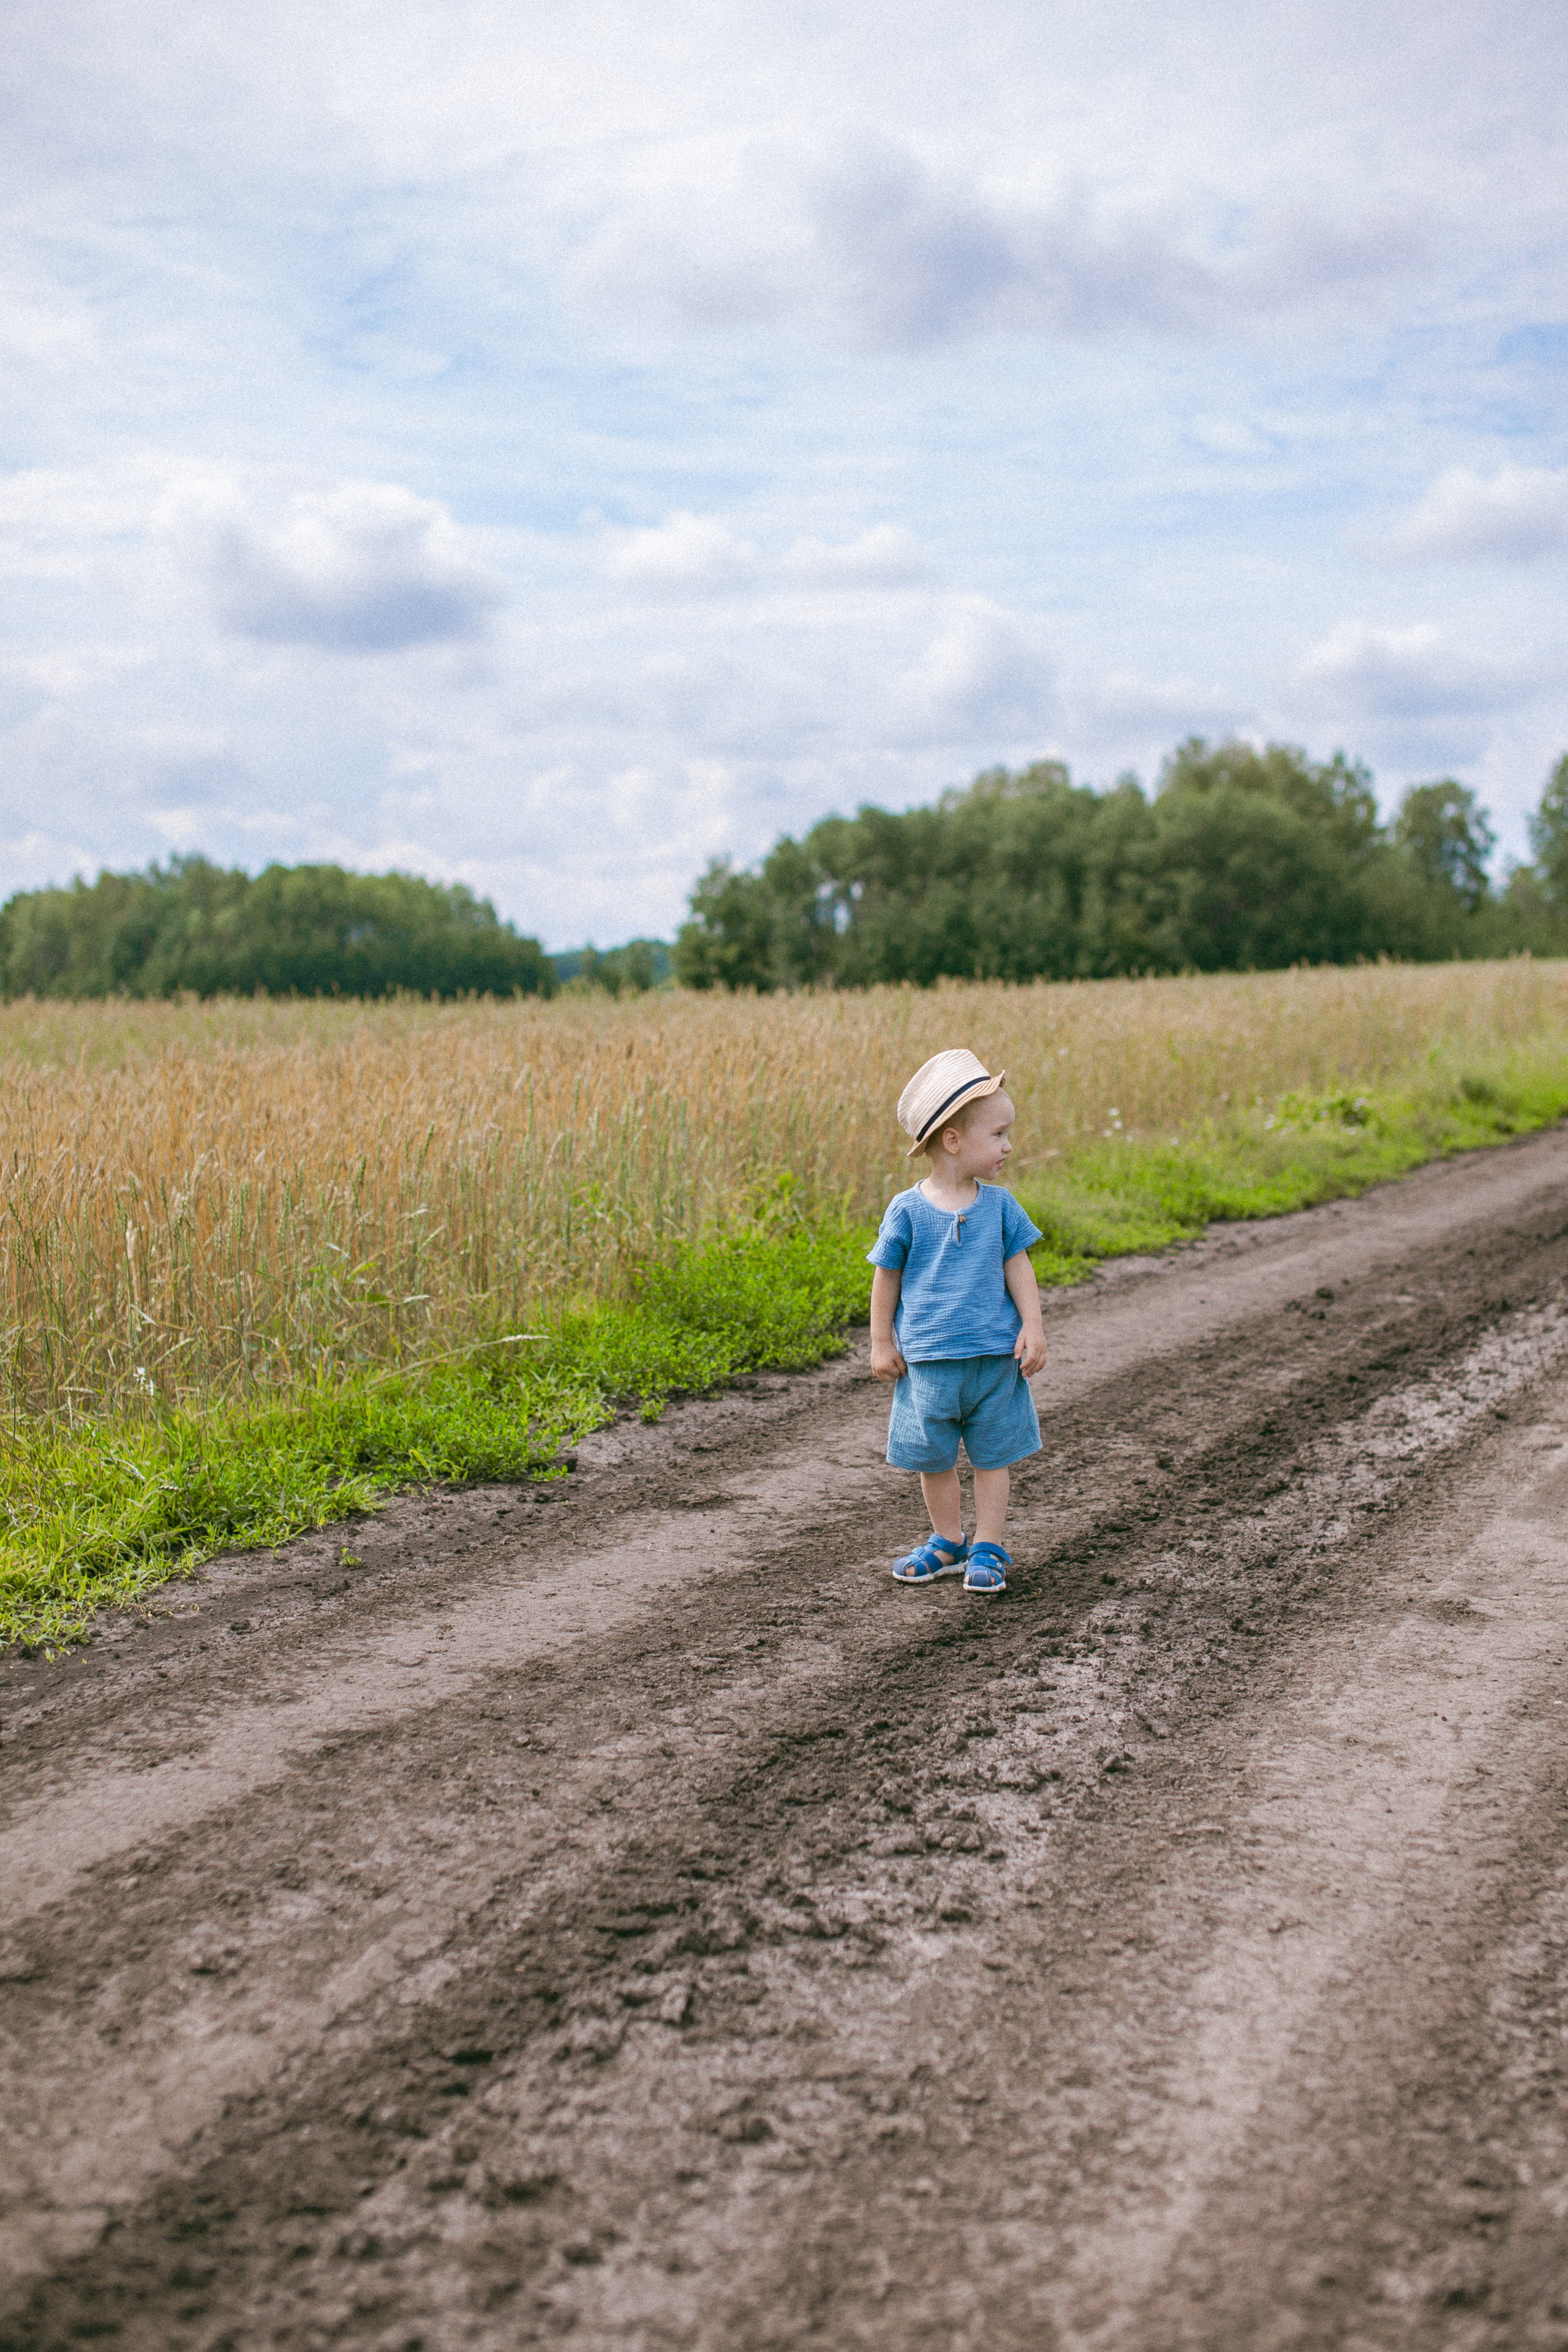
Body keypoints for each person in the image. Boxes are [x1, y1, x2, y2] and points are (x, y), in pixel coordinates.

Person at [867, 1048, 1047, 1595]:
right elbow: (886, 1278)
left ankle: (988, 1545)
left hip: (994, 1360)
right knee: (934, 1456)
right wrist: (881, 1342)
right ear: (953, 1140)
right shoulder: (907, 1210)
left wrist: (1033, 1327)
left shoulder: (1001, 1206)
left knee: (994, 1455)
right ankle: (948, 1541)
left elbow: (1019, 1266)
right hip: (928, 1364)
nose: (1009, 1146)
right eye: (998, 1134)